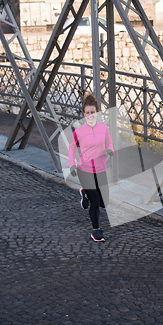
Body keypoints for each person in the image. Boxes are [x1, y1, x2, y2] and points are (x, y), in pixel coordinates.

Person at [69, 94, 114, 242]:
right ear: (83, 114)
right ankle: (96, 230)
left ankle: (85, 194)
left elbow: (109, 144)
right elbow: (72, 148)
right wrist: (72, 164)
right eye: (87, 113)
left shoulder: (104, 128)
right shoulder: (79, 131)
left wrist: (110, 151)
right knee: (95, 203)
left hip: (100, 169)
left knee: (103, 202)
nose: (90, 115)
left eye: (92, 112)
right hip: (85, 169)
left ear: (97, 112)